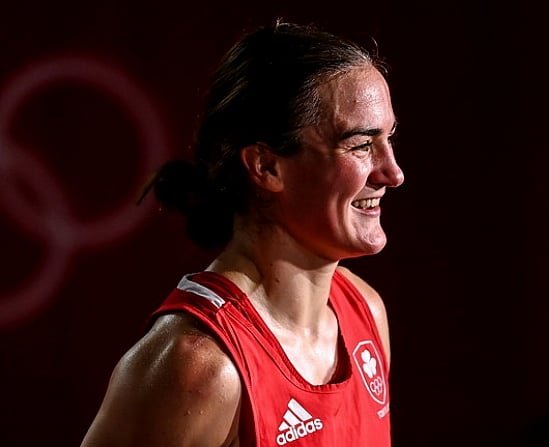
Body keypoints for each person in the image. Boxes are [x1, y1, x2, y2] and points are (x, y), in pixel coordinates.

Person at [80, 19, 404, 447]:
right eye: (361, 145)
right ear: (267, 167)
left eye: (389, 139)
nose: (392, 173)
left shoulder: (365, 313)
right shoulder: (200, 367)